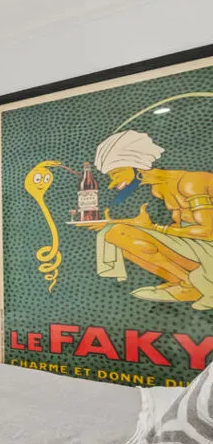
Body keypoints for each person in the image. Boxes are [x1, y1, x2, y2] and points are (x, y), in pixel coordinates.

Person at [86, 130, 213, 310]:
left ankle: (200, 285)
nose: (113, 182)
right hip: (193, 244)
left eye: (116, 173)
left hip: (207, 246)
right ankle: (186, 283)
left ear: (135, 165)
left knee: (118, 233)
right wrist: (110, 222)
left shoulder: (190, 182)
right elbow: (154, 227)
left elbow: (207, 232)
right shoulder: (158, 188)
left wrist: (156, 228)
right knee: (112, 234)